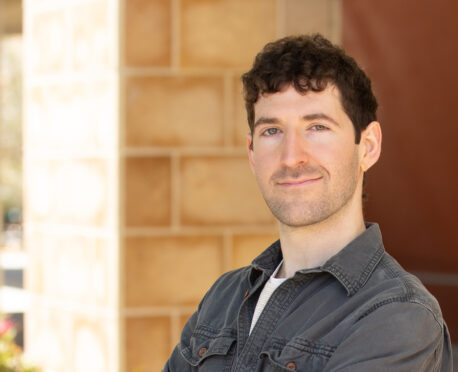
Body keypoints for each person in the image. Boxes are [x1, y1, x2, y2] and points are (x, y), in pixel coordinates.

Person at [163, 34, 452, 371]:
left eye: (316, 127)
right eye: (272, 131)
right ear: (252, 152)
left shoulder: (398, 316)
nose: (291, 157)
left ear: (368, 146)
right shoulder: (223, 299)